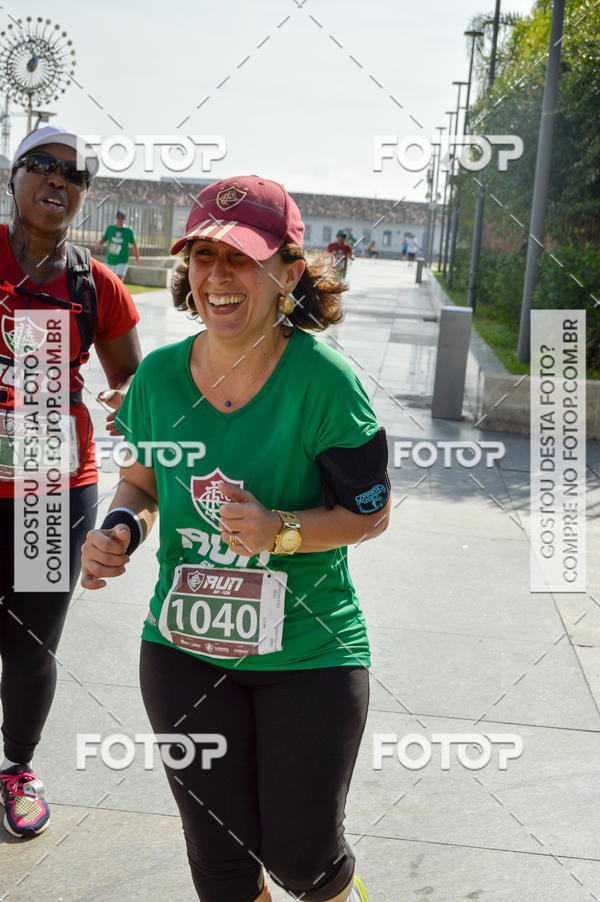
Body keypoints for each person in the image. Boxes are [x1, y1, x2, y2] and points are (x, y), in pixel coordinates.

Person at [81, 175, 391, 902]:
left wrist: (280, 531)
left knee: (303, 859)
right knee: (219, 865)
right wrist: (120, 530)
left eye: (242, 259)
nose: (217, 278)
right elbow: (144, 483)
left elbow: (370, 513)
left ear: (288, 272)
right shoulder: (157, 377)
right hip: (183, 649)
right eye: (202, 257)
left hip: (309, 654)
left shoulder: (325, 383)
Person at [0, 126, 142, 837]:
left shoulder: (95, 284)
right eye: (43, 167)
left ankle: (18, 769)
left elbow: (129, 381)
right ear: (14, 177)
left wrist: (128, 405)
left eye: (75, 175)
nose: (59, 181)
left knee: (29, 645)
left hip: (52, 495)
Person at [94, 210, 140, 282]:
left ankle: (118, 293)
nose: (120, 220)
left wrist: (137, 256)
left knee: (118, 280)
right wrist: (99, 244)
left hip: (122, 260)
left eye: (122, 218)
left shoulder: (128, 231)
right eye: (118, 218)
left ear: (125, 219)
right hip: (110, 259)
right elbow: (104, 238)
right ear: (116, 218)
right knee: (109, 281)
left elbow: (134, 243)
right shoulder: (111, 228)